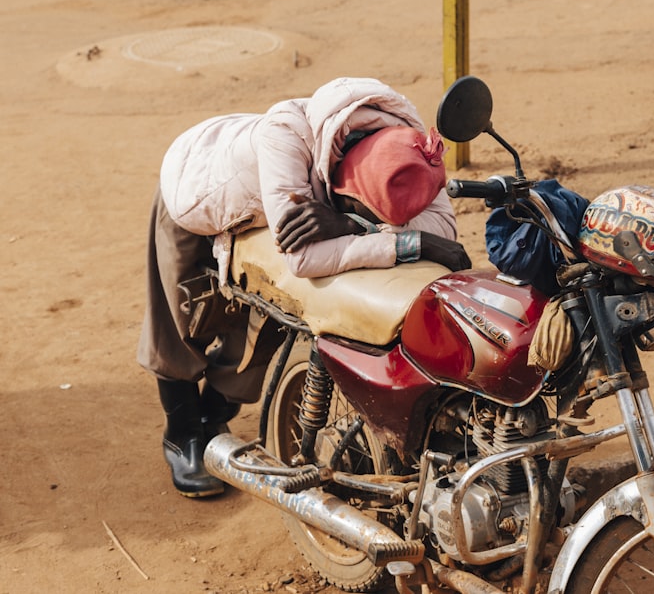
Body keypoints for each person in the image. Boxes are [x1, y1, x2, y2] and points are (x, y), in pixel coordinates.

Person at [138, 77, 471, 497]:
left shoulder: (408, 149)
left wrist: (354, 225)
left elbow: (443, 233)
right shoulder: (285, 137)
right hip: (198, 184)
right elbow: (304, 257)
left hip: (267, 205)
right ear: (338, 186)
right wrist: (401, 239)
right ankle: (182, 434)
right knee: (185, 316)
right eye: (355, 209)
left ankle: (212, 415)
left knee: (270, 316)